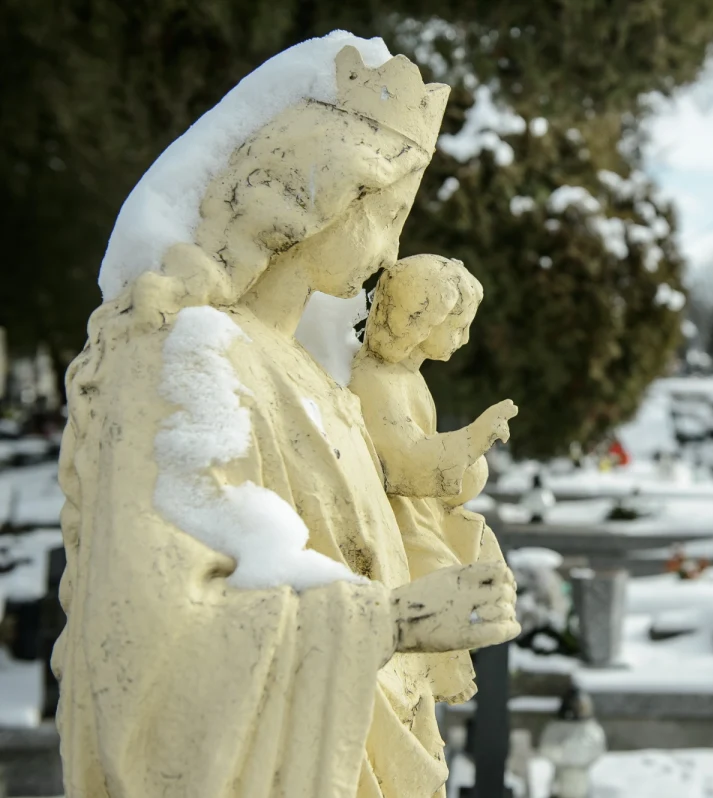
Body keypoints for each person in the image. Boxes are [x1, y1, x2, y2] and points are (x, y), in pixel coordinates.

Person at [55, 39, 517, 798]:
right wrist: (393, 622)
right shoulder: (184, 358)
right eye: (386, 210)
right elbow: (145, 635)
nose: (393, 245)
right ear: (321, 192)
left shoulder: (312, 375)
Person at [351, 254, 517, 703]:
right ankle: (442, 666)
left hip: (423, 510)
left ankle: (447, 661)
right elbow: (403, 464)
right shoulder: (374, 379)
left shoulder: (411, 381)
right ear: (420, 320)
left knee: (480, 553)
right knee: (438, 577)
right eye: (456, 326)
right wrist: (471, 439)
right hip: (402, 520)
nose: (463, 340)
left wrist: (470, 458)